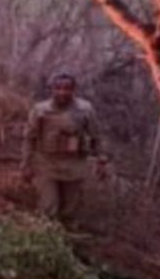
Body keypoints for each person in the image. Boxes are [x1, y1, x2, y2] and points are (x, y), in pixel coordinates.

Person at [21, 74, 109, 225]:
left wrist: (101, 161)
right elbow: (29, 138)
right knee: (48, 207)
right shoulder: (41, 110)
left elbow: (96, 136)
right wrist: (26, 164)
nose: (62, 92)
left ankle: (66, 239)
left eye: (67, 88)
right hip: (47, 164)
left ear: (74, 90)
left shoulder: (85, 110)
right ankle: (47, 240)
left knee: (71, 210)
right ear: (52, 90)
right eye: (58, 88)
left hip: (74, 165)